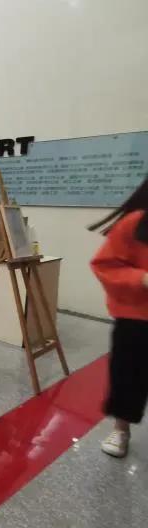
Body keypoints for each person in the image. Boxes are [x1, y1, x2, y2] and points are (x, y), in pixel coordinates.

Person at [90, 176, 148, 458]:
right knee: (128, 375)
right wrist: (142, 279)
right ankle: (121, 429)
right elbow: (105, 264)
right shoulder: (135, 223)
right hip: (137, 317)